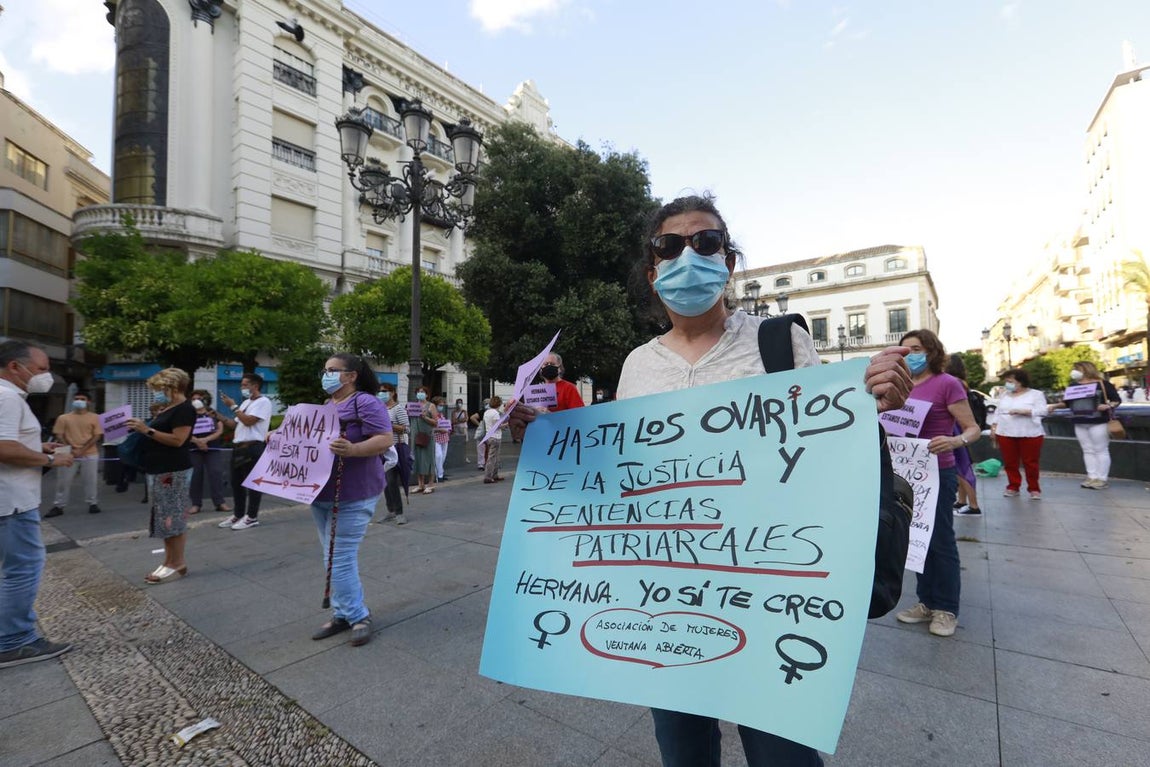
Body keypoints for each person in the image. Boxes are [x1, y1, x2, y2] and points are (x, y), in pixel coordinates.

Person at [508, 195, 913, 767]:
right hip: (665, 590)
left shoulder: (779, 341)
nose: (688, 255)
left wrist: (875, 397)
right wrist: (558, 443)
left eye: (706, 242)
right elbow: (626, 474)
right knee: (683, 751)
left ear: (727, 261)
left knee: (784, 756)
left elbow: (829, 444)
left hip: (773, 588)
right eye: (668, 246)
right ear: (653, 274)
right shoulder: (636, 365)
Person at [894, 331, 980, 639]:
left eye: (916, 349)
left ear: (932, 352)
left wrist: (955, 440)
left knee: (941, 539)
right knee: (915, 537)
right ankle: (926, 601)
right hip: (903, 472)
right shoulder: (899, 384)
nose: (910, 354)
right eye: (906, 350)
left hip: (937, 472)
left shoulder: (947, 384)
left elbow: (973, 428)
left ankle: (946, 608)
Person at [0, 341, 76, 668]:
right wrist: (48, 457)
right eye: (42, 369)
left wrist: (36, 444)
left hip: (12, 497)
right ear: (16, 367)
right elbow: (3, 448)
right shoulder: (6, 398)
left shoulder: (11, 398)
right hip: (13, 500)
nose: (45, 376)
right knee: (24, 567)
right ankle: (15, 641)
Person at [310, 353, 393, 647]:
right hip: (320, 493)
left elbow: (386, 438)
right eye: (325, 370)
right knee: (329, 556)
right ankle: (343, 613)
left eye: (333, 370)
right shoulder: (325, 406)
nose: (326, 374)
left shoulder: (367, 403)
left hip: (354, 492)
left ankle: (358, 616)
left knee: (339, 557)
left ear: (351, 375)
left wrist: (353, 449)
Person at [125, 368, 196, 584]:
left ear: (171, 387)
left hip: (172, 470)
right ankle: (169, 560)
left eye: (159, 388)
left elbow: (178, 440)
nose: (156, 393)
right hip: (159, 469)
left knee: (171, 517)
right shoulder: (169, 408)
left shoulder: (184, 409)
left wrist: (146, 430)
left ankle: (177, 562)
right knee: (164, 518)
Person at [1048, 361, 1122, 490]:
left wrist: (1108, 406)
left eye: (1077, 369)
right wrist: (1054, 406)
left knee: (1101, 450)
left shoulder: (1102, 384)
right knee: (1087, 450)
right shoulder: (1073, 386)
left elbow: (1116, 400)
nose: (1074, 371)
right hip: (1079, 421)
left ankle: (1102, 479)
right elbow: (1067, 403)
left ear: (1086, 370)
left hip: (1098, 421)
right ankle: (1091, 476)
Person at [218, 373, 273, 530]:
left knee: (253, 484)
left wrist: (232, 406)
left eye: (244, 385)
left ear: (255, 386)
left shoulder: (264, 402)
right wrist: (217, 415)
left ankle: (252, 517)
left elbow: (249, 422)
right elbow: (235, 424)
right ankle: (238, 514)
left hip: (253, 447)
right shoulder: (246, 403)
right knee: (237, 484)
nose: (242, 387)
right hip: (239, 448)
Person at [988, 368, 1048, 500]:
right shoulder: (1004, 395)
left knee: (1030, 462)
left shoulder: (1036, 394)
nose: (1007, 384)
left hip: (1030, 433)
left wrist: (1025, 411)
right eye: (1006, 381)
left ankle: (1034, 488)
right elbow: (998, 413)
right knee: (1010, 462)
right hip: (1006, 432)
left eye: (1010, 381)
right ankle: (1013, 486)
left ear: (1020, 382)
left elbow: (1043, 411)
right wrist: (994, 428)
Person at [45, 392, 103, 517]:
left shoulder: (95, 417)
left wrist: (81, 450)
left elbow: (97, 435)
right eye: (76, 399)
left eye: (82, 399)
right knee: (63, 481)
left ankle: (93, 503)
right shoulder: (63, 418)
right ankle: (59, 505)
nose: (79, 401)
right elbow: (59, 435)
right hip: (66, 453)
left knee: (91, 480)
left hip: (90, 453)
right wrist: (71, 449)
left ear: (88, 402)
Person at [944, 355, 981, 516]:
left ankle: (973, 505)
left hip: (957, 431)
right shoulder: (958, 381)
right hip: (956, 430)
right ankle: (962, 501)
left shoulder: (953, 382)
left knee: (963, 466)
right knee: (959, 469)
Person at [187, 390, 229, 515]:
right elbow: (184, 431)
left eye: (198, 398)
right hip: (193, 448)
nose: (196, 401)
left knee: (215, 473)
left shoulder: (213, 414)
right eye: (193, 398)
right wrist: (198, 442)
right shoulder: (188, 414)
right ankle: (196, 504)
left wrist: (205, 440)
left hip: (212, 448)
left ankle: (219, 502)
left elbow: (219, 430)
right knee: (195, 475)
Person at [378, 384, 409, 524]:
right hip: (381, 449)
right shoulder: (379, 409)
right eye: (379, 391)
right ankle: (390, 510)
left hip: (395, 449)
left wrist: (389, 425)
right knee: (384, 482)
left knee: (391, 481)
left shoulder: (398, 409)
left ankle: (399, 512)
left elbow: (406, 429)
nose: (381, 393)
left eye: (384, 391)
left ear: (392, 393)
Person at [410, 385, 437, 494]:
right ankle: (420, 484)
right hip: (415, 435)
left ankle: (431, 484)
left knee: (429, 458)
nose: (420, 393)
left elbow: (435, 422)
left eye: (422, 392)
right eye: (418, 391)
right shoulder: (413, 406)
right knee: (417, 458)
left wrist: (425, 417)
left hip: (427, 435)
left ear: (426, 394)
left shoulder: (431, 406)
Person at [482, 395, 505, 485]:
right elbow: (497, 426)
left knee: (495, 457)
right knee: (492, 458)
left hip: (489, 436)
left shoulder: (486, 412)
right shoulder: (495, 413)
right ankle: (488, 476)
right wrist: (506, 424)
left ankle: (495, 475)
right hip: (496, 436)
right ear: (498, 404)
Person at [433, 396, 451, 482]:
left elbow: (446, 425)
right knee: (438, 456)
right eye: (440, 405)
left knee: (442, 457)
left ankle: (441, 473)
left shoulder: (441, 415)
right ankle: (438, 476)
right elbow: (430, 428)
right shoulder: (432, 415)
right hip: (436, 438)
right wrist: (440, 429)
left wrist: (448, 429)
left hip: (445, 438)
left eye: (443, 405)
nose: (441, 407)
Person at [470, 398, 489, 470]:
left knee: (486, 448)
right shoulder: (482, 412)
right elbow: (472, 418)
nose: (487, 405)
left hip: (486, 432)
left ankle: (482, 463)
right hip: (484, 432)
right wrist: (480, 425)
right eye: (486, 403)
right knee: (482, 448)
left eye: (488, 403)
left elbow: (472, 418)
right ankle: (482, 463)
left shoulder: (484, 412)